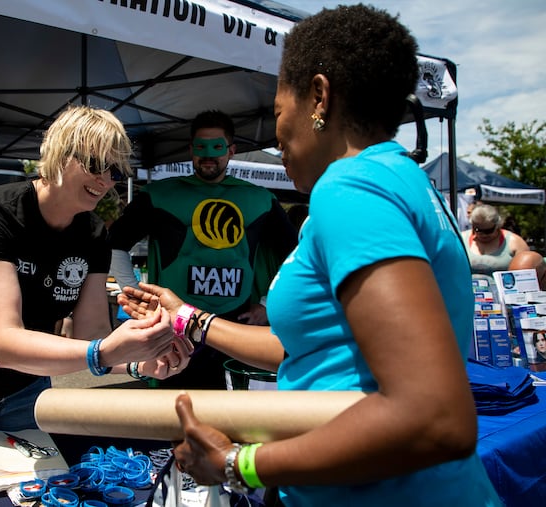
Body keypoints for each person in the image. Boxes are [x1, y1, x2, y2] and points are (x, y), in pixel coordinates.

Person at [118, 5, 501, 505]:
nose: (276, 138)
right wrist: (188, 318)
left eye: (278, 110)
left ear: (319, 97)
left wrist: (238, 465)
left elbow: (434, 418)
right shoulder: (402, 178)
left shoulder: (352, 187)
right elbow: (309, 345)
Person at [0, 105, 191, 457]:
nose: (105, 180)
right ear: (60, 153)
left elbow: (92, 336)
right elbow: (5, 344)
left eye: (114, 171)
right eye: (95, 164)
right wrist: (107, 350)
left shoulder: (94, 234)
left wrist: (142, 361)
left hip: (25, 389)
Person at [107, 110, 297, 389]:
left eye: (217, 147)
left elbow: (296, 257)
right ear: (191, 150)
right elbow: (114, 243)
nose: (209, 155)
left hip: (237, 327)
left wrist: (266, 306)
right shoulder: (160, 195)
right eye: (201, 147)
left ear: (231, 151)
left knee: (234, 419)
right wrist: (134, 293)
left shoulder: (260, 200)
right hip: (176, 329)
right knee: (174, 417)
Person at [461, 203, 530, 276]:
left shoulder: (515, 242)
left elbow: (525, 275)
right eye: (478, 230)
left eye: (488, 231)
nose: (483, 235)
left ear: (498, 225)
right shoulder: (461, 239)